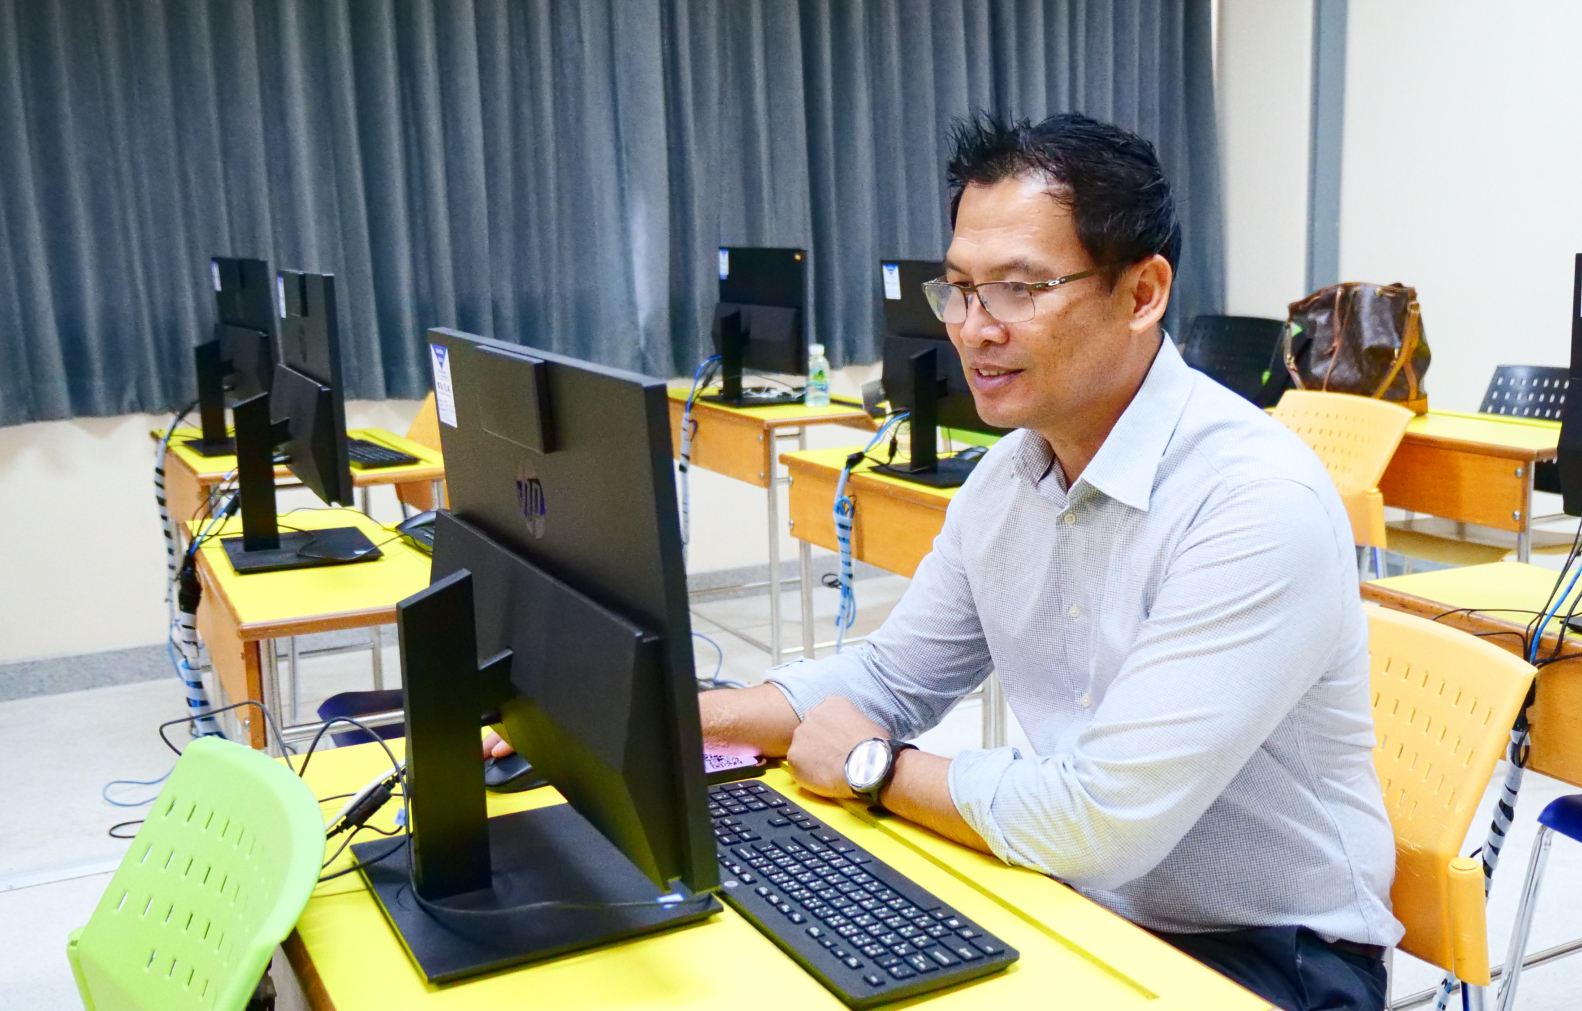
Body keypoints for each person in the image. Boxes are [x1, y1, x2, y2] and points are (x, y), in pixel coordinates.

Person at [503, 111, 1402, 1011]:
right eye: (961, 290)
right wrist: (653, 717)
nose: (973, 329)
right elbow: (890, 679)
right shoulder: (1007, 479)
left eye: (1018, 289)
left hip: (1269, 956)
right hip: (1079, 900)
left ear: (1141, 293)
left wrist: (875, 767)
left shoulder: (1251, 502)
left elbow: (1098, 821)